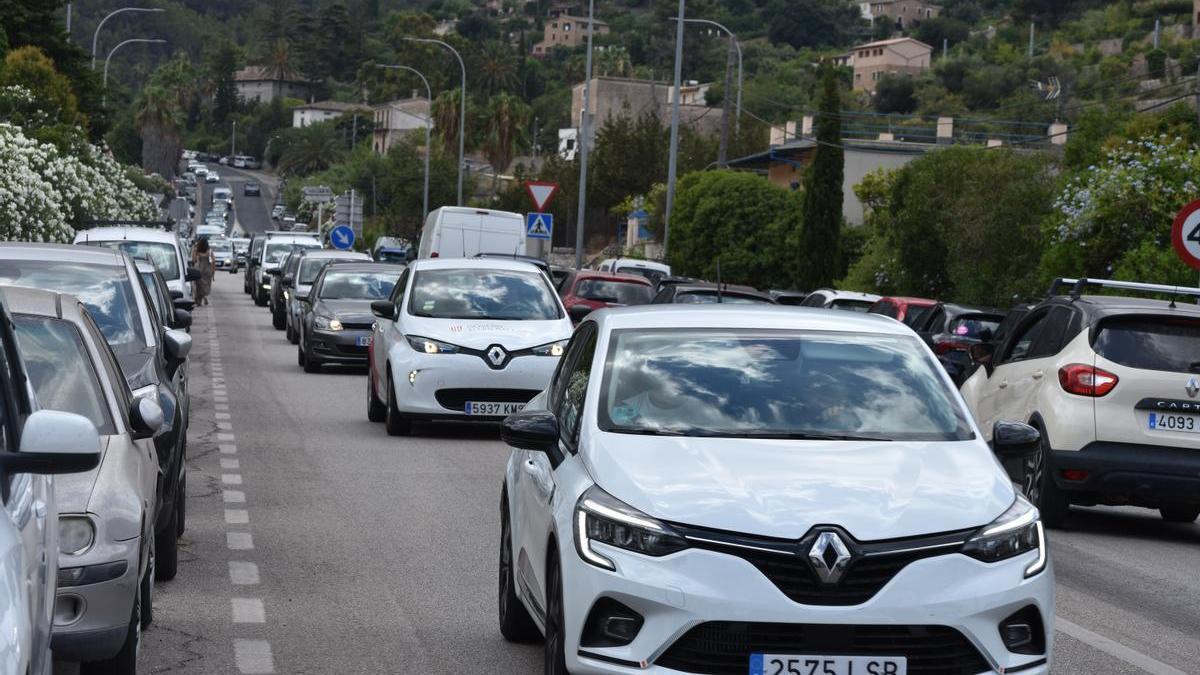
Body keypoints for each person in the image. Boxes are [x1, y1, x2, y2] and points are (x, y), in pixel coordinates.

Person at [192, 237, 215, 306]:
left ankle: (199, 299)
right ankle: (204, 296)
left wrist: (194, 250)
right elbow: (213, 261)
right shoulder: (210, 251)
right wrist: (213, 272)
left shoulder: (197, 250)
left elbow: (194, 260)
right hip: (208, 271)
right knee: (206, 286)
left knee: (199, 286)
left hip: (199, 270)